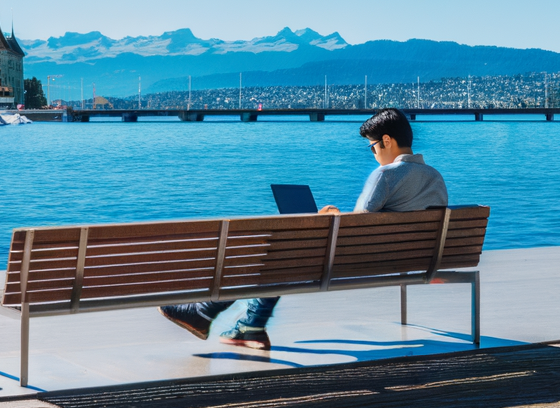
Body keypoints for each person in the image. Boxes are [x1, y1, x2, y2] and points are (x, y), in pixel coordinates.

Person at [159, 107, 449, 351]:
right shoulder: (435, 177)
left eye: (372, 146)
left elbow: (360, 222)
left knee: (273, 251)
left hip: (361, 262)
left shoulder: (386, 175)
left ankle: (209, 313)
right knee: (279, 252)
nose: (373, 153)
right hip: (414, 259)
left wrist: (329, 217)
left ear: (387, 140)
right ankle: (246, 324)